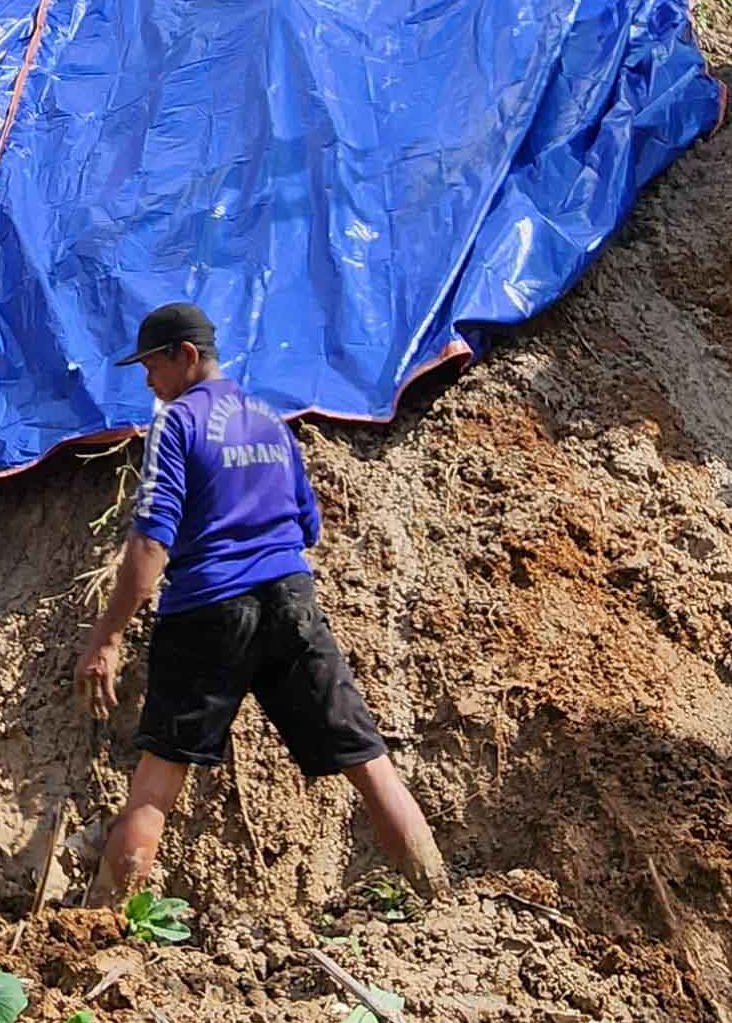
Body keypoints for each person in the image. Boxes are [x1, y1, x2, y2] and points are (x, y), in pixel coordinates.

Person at [76, 300, 451, 907]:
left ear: (186, 356)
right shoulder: (270, 420)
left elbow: (150, 542)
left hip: (207, 611)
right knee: (368, 760)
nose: (148, 381)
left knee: (155, 787)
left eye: (152, 366)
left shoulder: (176, 424)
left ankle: (101, 923)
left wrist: (107, 637)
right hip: (291, 601)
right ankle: (436, 898)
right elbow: (308, 527)